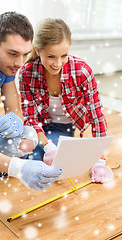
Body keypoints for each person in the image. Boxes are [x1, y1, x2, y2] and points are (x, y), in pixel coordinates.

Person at [0, 12, 62, 194]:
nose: (19, 63)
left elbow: (15, 110)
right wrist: (19, 169)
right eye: (13, 54)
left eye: (25, 54)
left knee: (28, 137)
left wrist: (15, 120)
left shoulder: (5, 66)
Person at [19, 18, 113, 183]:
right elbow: (30, 117)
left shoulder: (82, 71)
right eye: (51, 56)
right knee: (19, 150)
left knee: (36, 161)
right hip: (37, 127)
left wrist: (100, 160)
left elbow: (96, 115)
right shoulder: (26, 73)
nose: (58, 63)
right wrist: (48, 146)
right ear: (38, 51)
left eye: (64, 55)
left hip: (62, 127)